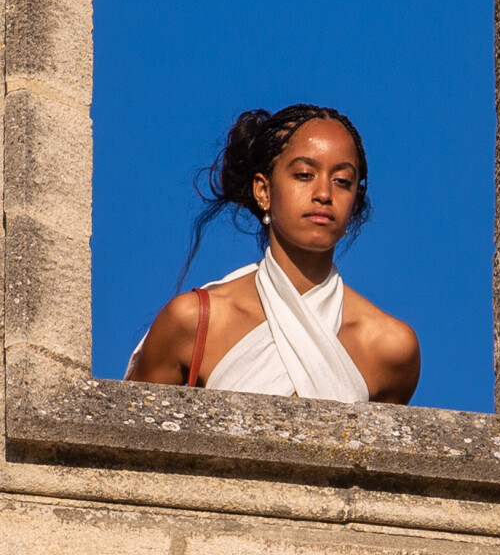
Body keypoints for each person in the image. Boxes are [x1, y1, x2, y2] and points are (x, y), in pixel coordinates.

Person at [126, 104, 420, 403]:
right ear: (263, 190)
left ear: (355, 201)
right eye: (304, 174)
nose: (324, 194)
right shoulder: (194, 321)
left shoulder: (390, 348)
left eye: (342, 181)